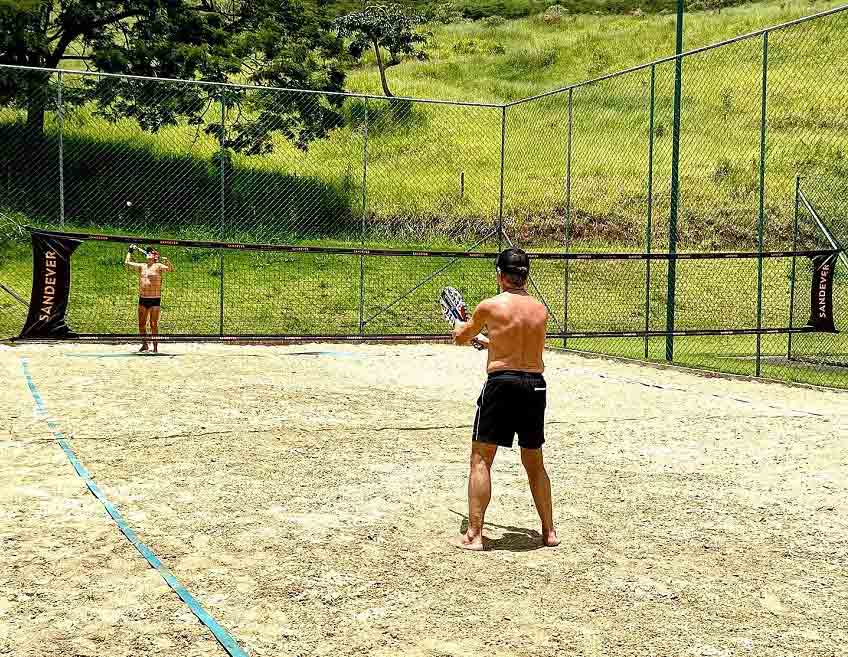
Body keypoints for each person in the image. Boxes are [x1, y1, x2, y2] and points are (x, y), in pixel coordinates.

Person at [450, 247, 559, 551]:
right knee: (534, 461)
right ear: (525, 274)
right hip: (535, 386)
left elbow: (461, 336)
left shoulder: (490, 306)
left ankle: (474, 535)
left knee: (481, 459)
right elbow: (518, 345)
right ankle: (549, 532)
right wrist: (486, 342)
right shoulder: (540, 309)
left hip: (501, 384)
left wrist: (461, 329)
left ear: (500, 274)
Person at [124, 246, 173, 353]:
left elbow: (170, 269)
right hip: (143, 298)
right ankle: (145, 345)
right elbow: (127, 263)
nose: (149, 254)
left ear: (155, 256)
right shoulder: (142, 266)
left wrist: (167, 261)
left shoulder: (159, 265)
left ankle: (155, 348)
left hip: (155, 299)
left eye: (151, 253)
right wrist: (130, 251)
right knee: (141, 324)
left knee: (153, 324)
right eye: (148, 252)